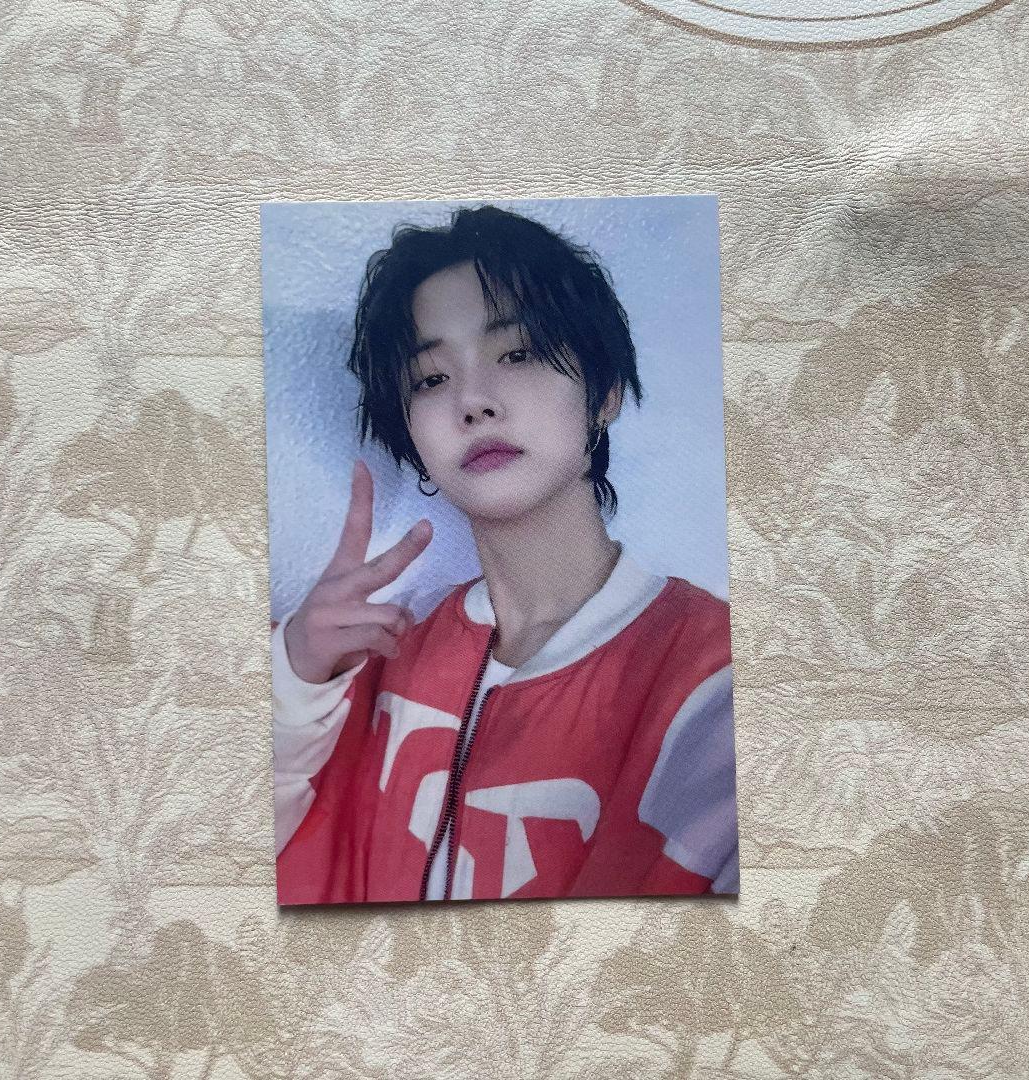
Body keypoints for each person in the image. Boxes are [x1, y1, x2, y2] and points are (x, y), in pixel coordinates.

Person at [272, 205, 739, 904]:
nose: (473, 401)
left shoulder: (712, 675)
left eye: (517, 354)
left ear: (604, 393)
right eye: (430, 379)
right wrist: (295, 677)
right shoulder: (375, 662)